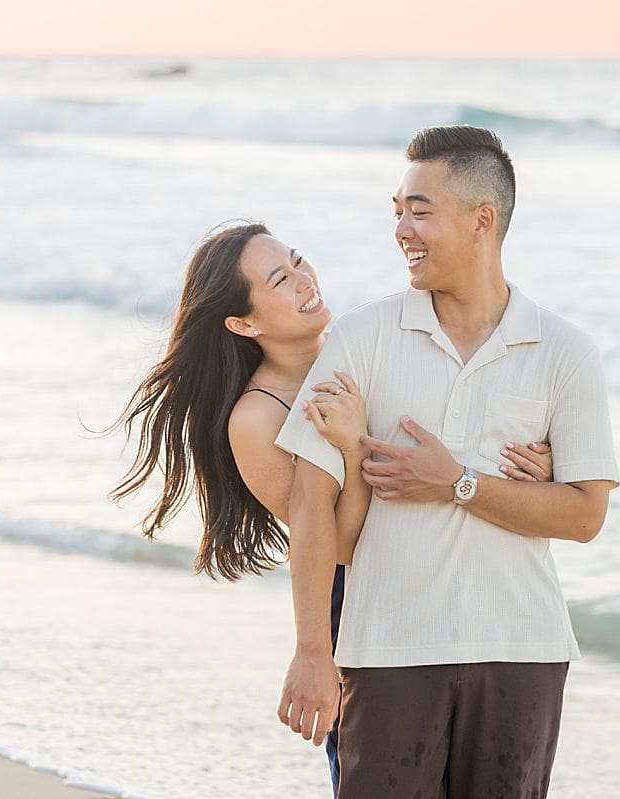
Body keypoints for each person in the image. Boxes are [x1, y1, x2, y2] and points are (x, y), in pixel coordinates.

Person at [106, 220, 557, 795]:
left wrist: (528, 467)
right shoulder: (257, 418)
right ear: (244, 323)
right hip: (360, 605)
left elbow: (453, 440)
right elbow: (340, 545)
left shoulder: (366, 349)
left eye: (297, 261)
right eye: (279, 279)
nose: (303, 280)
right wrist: (346, 444)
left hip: (447, 584)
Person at [274, 125, 620, 797]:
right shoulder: (359, 339)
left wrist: (456, 481)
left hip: (522, 652)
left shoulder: (565, 352)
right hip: (388, 650)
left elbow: (584, 515)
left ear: (481, 222)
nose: (401, 228)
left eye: (419, 210)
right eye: (397, 210)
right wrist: (313, 648)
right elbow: (308, 501)